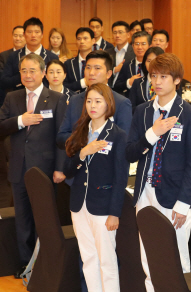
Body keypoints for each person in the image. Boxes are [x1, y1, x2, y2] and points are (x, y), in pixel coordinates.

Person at [126, 53, 191, 291]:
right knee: (148, 258)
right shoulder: (142, 111)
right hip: (144, 192)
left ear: (177, 79)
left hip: (174, 197)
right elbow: (129, 153)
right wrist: (152, 133)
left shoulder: (189, 114)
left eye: (164, 76)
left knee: (176, 261)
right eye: (153, 76)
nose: (157, 81)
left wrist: (183, 202)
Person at [0, 53, 66, 278]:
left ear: (43, 73)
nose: (27, 75)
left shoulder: (56, 98)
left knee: (45, 218)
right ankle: (24, 263)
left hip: (46, 171)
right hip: (19, 168)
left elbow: (61, 138)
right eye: (23, 71)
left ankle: (44, 262)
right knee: (23, 219)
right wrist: (20, 121)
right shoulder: (12, 97)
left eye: (32, 71)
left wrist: (60, 168)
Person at [64, 83, 127, 292]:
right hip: (79, 204)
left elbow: (120, 178)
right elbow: (68, 170)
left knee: (106, 262)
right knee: (88, 259)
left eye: (98, 101)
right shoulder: (80, 130)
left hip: (103, 207)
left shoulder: (118, 135)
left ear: (108, 104)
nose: (92, 105)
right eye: (89, 101)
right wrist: (83, 153)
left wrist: (114, 213)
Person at [57, 50, 133, 148]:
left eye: (97, 68)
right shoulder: (75, 100)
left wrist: (95, 142)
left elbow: (124, 141)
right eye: (88, 68)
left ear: (109, 74)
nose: (91, 73)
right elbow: (61, 137)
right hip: (77, 159)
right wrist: (85, 140)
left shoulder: (121, 102)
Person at [1, 17, 59, 93]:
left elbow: (57, 81)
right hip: (19, 98)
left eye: (37, 32)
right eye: (30, 32)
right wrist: (24, 74)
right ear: (24, 34)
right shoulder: (14, 56)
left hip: (45, 99)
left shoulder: (52, 57)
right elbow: (4, 81)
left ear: (42, 34)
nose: (33, 35)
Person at [114, 31, 150, 96]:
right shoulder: (127, 65)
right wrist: (128, 83)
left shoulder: (154, 65)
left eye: (143, 44)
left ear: (149, 46)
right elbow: (116, 87)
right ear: (132, 46)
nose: (140, 47)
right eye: (137, 44)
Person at [129, 47, 165, 111]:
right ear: (144, 63)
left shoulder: (168, 82)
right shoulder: (137, 83)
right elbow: (131, 108)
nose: (152, 64)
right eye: (149, 61)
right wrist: (149, 104)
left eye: (155, 61)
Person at [64, 27, 96, 94]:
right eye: (79, 39)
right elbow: (64, 86)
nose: (82, 41)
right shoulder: (68, 64)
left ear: (93, 41)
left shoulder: (99, 62)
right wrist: (83, 82)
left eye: (85, 38)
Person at [0, 26, 26, 105]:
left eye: (21, 36)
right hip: (8, 96)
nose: (18, 38)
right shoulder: (3, 56)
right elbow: (2, 78)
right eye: (15, 36)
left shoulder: (30, 56)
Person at [105, 21, 134, 88]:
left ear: (128, 35)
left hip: (127, 92)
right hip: (109, 91)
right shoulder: (107, 53)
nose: (117, 35)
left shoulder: (134, 52)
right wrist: (115, 70)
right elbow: (103, 72)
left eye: (120, 32)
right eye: (115, 32)